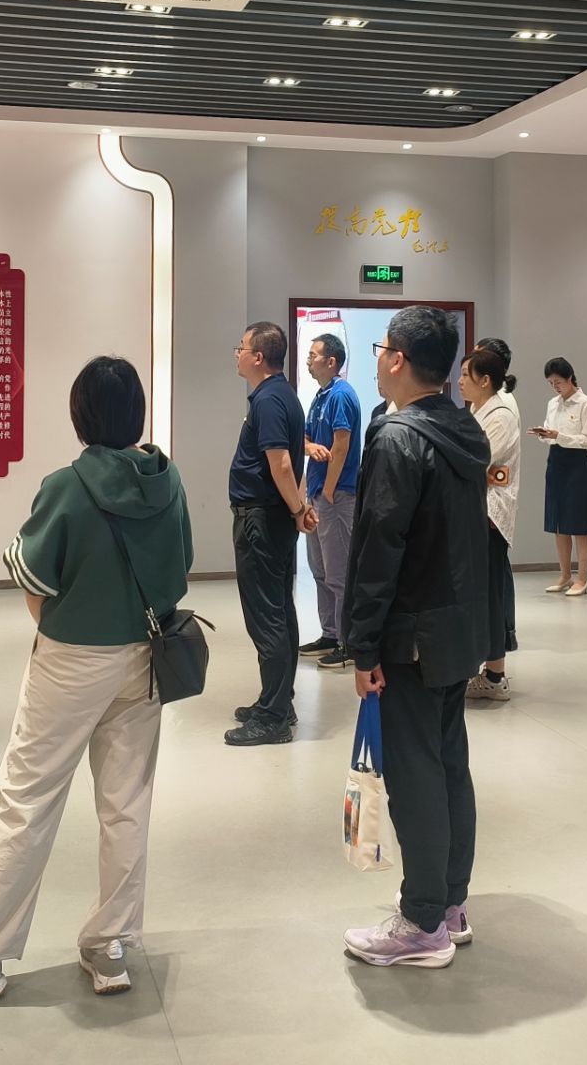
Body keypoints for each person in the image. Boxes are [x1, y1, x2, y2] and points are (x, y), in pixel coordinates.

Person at [0, 357, 194, 1006]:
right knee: (126, 801)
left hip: (72, 659)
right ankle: (110, 941)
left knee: (27, 798)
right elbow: (180, 568)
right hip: (146, 657)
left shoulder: (66, 486)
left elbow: (34, 580)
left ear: (79, 415)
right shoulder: (167, 481)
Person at [342, 306, 491, 966]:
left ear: (398, 358)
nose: (377, 359)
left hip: (410, 636)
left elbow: (380, 549)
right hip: (456, 629)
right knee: (448, 763)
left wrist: (363, 645)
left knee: (416, 775)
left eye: (380, 348)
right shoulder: (462, 428)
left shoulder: (398, 437)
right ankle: (450, 903)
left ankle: (424, 921)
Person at [226, 321, 314, 746]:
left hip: (261, 520)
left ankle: (274, 717)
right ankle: (277, 701)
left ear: (258, 357)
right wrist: (298, 508)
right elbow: (290, 463)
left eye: (241, 347)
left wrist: (298, 508)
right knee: (279, 611)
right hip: (272, 518)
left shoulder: (269, 400)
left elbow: (281, 464)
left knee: (267, 618)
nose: (237, 353)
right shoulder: (280, 395)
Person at [459, 347, 519, 701]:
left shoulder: (501, 414)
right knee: (477, 593)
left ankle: (495, 675)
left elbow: (477, 461)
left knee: (490, 594)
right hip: (475, 511)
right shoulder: (477, 410)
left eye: (466, 375)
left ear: (485, 380)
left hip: (491, 515)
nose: (460, 381)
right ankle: (479, 666)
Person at [299, 332, 362, 671]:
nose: (309, 360)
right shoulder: (320, 396)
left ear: (331, 361)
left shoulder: (341, 395)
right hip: (317, 494)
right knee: (320, 570)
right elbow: (305, 439)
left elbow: (341, 444)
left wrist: (328, 490)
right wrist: (309, 448)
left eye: (314, 355)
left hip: (336, 496)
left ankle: (347, 642)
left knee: (339, 573)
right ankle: (330, 633)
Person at [531, 357, 587, 596]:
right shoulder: (553, 403)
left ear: (570, 378)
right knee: (558, 522)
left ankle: (582, 578)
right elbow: (551, 433)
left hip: (577, 464)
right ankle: (565, 575)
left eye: (558, 382)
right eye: (551, 383)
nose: (555, 387)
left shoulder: (585, 403)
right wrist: (544, 434)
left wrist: (559, 436)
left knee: (579, 524)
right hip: (555, 461)